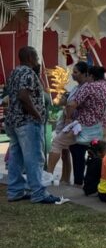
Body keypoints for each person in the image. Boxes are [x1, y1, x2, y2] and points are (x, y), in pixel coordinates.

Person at [5, 48, 65, 205]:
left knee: (16, 157)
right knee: (34, 158)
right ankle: (38, 193)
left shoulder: (15, 72)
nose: (38, 60)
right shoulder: (28, 73)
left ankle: (15, 191)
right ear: (30, 57)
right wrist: (36, 114)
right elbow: (23, 95)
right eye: (36, 57)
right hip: (27, 121)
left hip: (14, 120)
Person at [65, 66, 106, 187]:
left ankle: (79, 181)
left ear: (91, 76)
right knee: (100, 154)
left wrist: (68, 118)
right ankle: (99, 181)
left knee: (78, 149)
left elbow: (72, 104)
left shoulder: (89, 87)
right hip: (105, 126)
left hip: (88, 126)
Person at [46, 60, 90, 183]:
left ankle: (48, 175)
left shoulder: (85, 88)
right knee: (65, 151)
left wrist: (69, 117)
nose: (72, 74)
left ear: (84, 74)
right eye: (73, 72)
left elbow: (72, 105)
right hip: (68, 122)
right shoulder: (76, 87)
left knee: (57, 143)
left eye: (75, 72)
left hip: (75, 123)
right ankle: (65, 178)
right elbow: (68, 102)